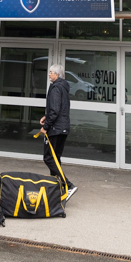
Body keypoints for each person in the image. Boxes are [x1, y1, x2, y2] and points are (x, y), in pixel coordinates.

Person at [39, 64, 76, 201]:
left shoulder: (55, 87)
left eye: (51, 72)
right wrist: (46, 116)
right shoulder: (64, 87)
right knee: (55, 159)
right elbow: (59, 108)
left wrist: (46, 126)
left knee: (49, 158)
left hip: (55, 129)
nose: (49, 74)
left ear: (57, 75)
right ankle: (57, 189)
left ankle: (68, 186)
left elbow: (55, 110)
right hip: (63, 128)